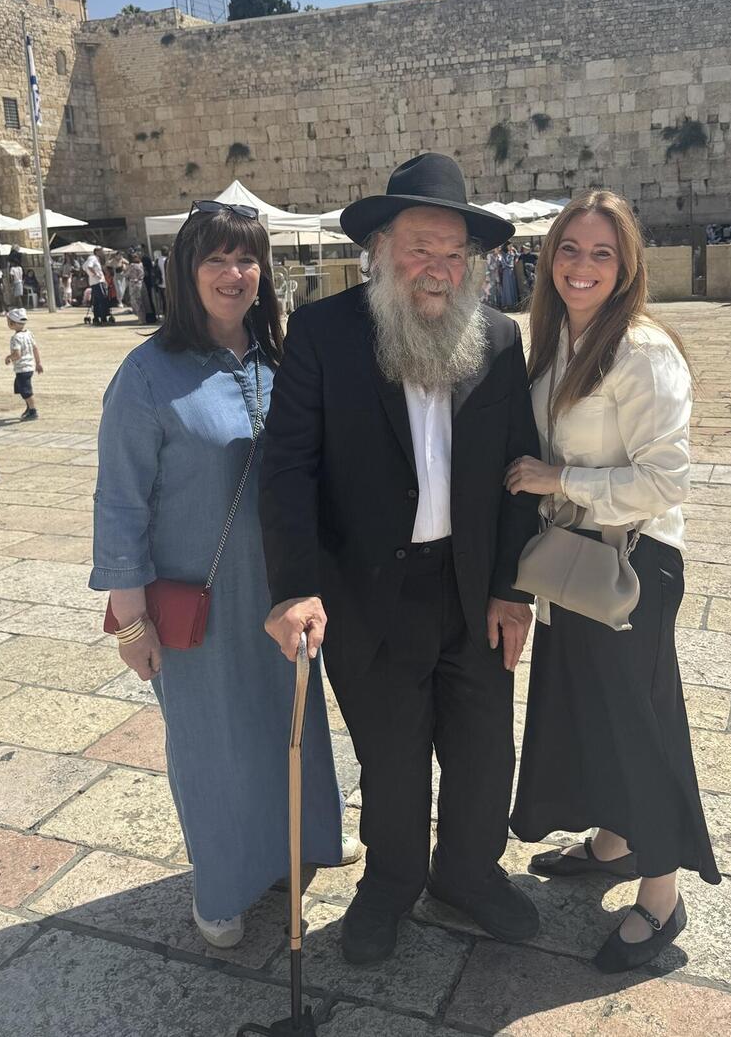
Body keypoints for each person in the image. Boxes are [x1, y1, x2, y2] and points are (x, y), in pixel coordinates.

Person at [260, 152, 541, 967]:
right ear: (379, 250)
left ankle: (466, 873)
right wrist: (294, 589)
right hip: (369, 590)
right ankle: (389, 882)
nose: (439, 269)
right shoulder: (324, 333)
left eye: (455, 254)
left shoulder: (496, 337)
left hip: (472, 584)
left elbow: (520, 471)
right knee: (392, 755)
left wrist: (511, 589)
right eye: (422, 248)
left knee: (486, 745)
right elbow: (288, 469)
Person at [89, 202, 353, 950]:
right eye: (217, 259)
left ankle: (292, 847)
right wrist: (131, 620)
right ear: (186, 271)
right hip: (198, 603)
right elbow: (118, 500)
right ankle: (223, 885)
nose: (235, 274)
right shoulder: (146, 377)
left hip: (280, 590)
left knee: (288, 722)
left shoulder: (279, 357)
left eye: (247, 259)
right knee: (214, 746)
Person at [505, 190, 719, 974]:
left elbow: (666, 479)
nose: (582, 266)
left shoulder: (642, 350)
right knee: (584, 707)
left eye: (601, 253)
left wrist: (562, 476)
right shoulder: (559, 337)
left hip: (632, 563)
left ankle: (661, 895)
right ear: (549, 257)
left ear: (627, 263)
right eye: (570, 249)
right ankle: (613, 840)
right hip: (576, 558)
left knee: (636, 722)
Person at [82, 247, 113, 326]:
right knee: (102, 299)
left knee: (96, 300)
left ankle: (96, 318)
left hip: (95, 282)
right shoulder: (93, 258)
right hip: (97, 282)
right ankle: (103, 318)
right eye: (101, 251)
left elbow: (84, 267)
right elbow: (89, 266)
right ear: (97, 252)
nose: (102, 253)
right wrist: (95, 274)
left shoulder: (95, 259)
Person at [124, 251, 148, 323]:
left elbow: (126, 274)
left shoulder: (132, 266)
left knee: (136, 302)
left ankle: (141, 319)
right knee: (141, 301)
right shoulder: (141, 264)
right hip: (141, 283)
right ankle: (143, 318)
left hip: (134, 284)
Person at [498, 241, 519, 310]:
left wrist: (515, 252)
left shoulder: (512, 252)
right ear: (506, 246)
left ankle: (514, 304)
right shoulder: (503, 254)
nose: (511, 247)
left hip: (512, 272)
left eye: (511, 246)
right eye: (509, 246)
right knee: (507, 288)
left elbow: (518, 255)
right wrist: (510, 255)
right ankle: (507, 304)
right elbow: (505, 263)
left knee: (512, 287)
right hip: (506, 271)